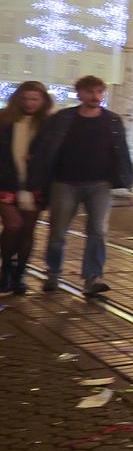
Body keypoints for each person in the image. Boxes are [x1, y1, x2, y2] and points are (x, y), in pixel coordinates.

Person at [32, 75, 133, 296]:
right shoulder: (63, 118)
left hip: (99, 184)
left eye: (99, 92)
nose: (95, 97)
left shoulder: (112, 120)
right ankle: (53, 272)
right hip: (65, 182)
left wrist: (126, 180)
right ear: (79, 94)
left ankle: (93, 277)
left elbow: (121, 151)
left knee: (98, 230)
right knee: (58, 231)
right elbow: (44, 146)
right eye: (90, 92)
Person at [0, 81, 54, 294]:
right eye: (25, 98)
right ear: (17, 99)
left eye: (34, 99)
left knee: (27, 231)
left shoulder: (48, 124)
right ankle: (6, 270)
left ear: (42, 101)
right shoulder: (4, 119)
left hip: (35, 184)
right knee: (13, 225)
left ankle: (19, 274)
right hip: (6, 183)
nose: (29, 103)